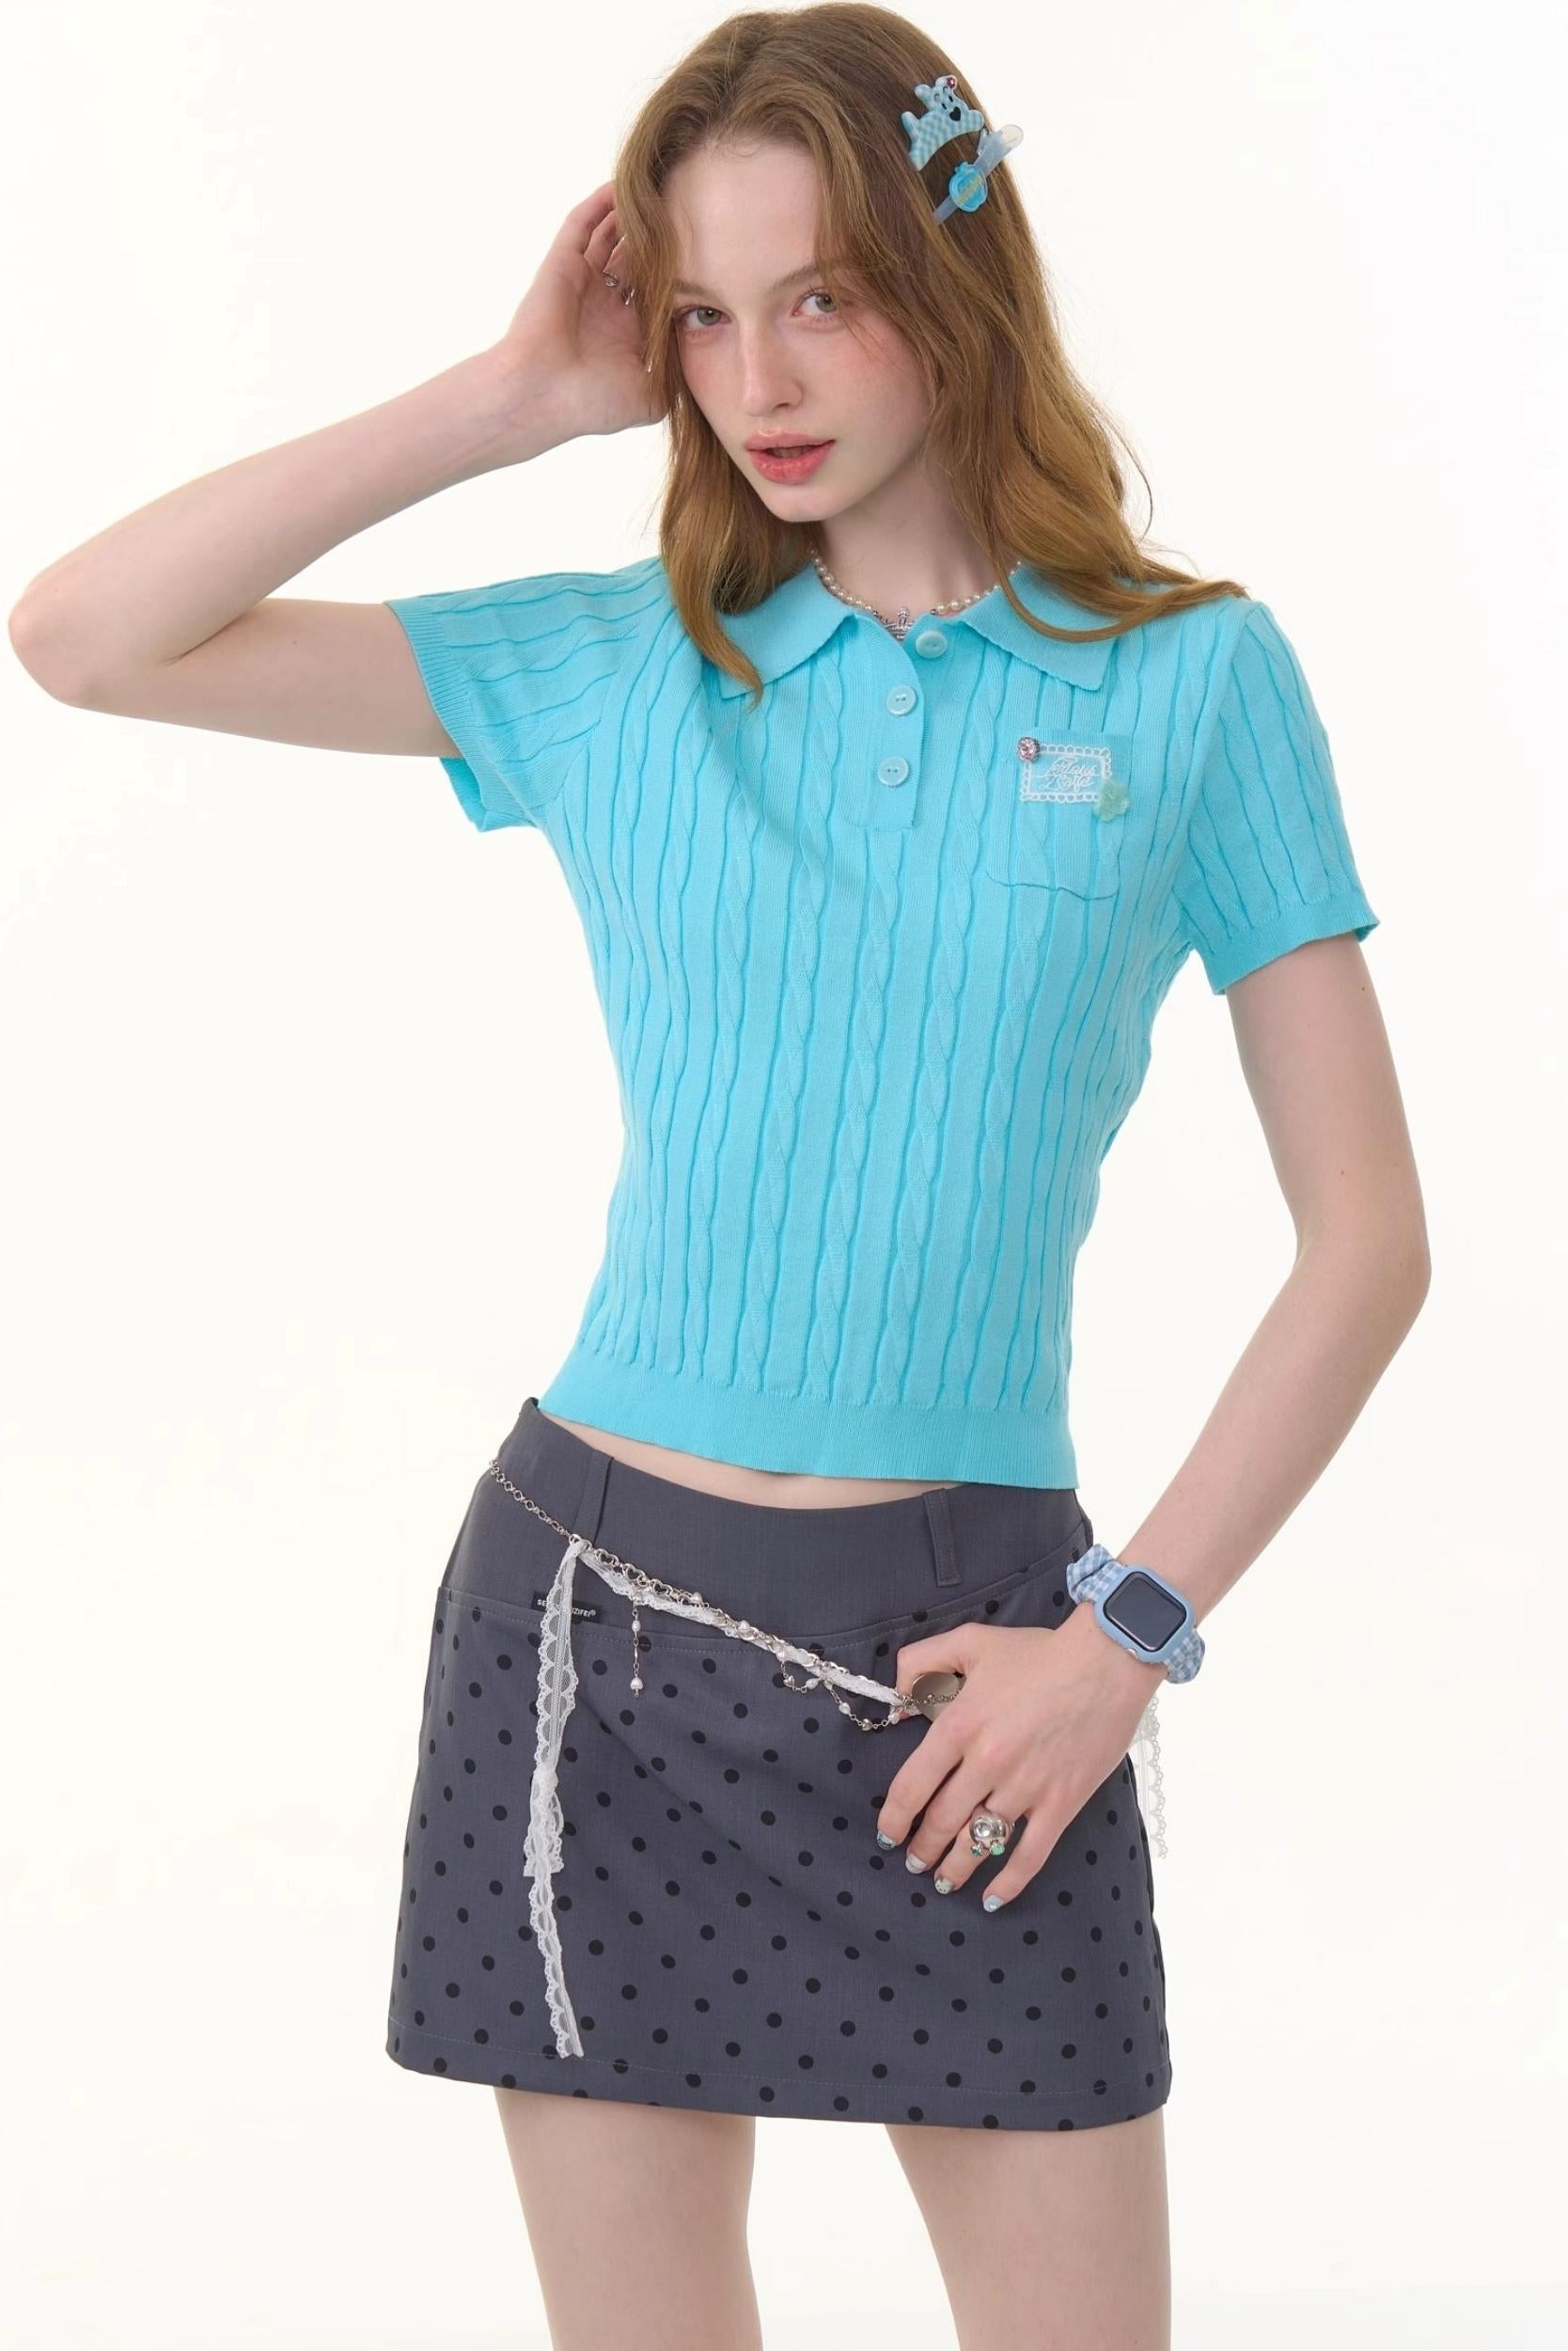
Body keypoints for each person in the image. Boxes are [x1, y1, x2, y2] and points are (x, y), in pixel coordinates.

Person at [8, 8, 1430, 2345]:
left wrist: (1127, 1642)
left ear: (955, 281)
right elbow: (80, 636)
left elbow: (1367, 1246)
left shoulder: (1195, 683)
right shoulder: (620, 669)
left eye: (820, 296)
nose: (756, 379)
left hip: (988, 1663)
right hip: (592, 1635)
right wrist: (506, 399)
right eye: (699, 313)